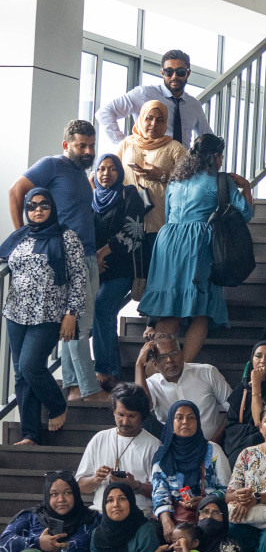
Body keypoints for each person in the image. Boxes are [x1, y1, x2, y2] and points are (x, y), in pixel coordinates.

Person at [138, 134, 253, 363]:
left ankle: (152, 370)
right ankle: (183, 367)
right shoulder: (219, 179)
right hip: (197, 243)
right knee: (201, 309)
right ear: (216, 156)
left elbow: (169, 213)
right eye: (220, 156)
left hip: (168, 241)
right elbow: (246, 213)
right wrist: (246, 187)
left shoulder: (176, 179)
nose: (221, 161)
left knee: (171, 307)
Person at [1, 187, 88, 445]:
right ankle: (30, 434)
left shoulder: (66, 237)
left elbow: (79, 278)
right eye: (32, 206)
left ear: (52, 208)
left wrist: (71, 313)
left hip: (49, 314)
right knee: (21, 374)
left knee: (30, 365)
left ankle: (57, 404)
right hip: (16, 313)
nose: (37, 210)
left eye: (43, 205)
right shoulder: (21, 236)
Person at [8, 121, 98, 368]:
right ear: (66, 145)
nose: (89, 151)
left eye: (92, 145)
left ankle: (72, 384)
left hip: (88, 255)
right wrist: (23, 238)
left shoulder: (80, 172)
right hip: (65, 255)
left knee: (80, 325)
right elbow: (16, 192)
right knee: (80, 324)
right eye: (82, 146)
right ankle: (82, 389)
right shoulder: (53, 164)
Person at [87, 152, 150, 393]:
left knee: (102, 306)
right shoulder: (90, 200)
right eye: (101, 169)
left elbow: (134, 229)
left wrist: (103, 252)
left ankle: (108, 370)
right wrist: (94, 258)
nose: (106, 173)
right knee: (94, 311)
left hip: (122, 268)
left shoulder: (129, 194)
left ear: (120, 172)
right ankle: (100, 368)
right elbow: (82, 231)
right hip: (96, 267)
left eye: (112, 169)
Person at [0, 472, 95, 552]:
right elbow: (4, 542)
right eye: (54, 494)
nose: (61, 499)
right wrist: (38, 543)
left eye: (67, 493)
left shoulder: (92, 520)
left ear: (76, 494)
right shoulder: (32, 516)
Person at [148, 400, 230, 538]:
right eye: (179, 417)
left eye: (191, 417)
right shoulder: (163, 455)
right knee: (151, 532)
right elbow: (159, 493)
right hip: (175, 515)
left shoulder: (212, 450)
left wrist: (206, 500)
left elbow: (227, 489)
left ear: (197, 422)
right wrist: (166, 519)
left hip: (207, 515)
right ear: (171, 423)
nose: (185, 422)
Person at [95, 49, 209, 147]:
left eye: (180, 72)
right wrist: (125, 144)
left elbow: (208, 137)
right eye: (169, 72)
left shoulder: (194, 105)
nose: (174, 76)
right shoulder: (144, 94)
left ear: (188, 73)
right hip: (147, 164)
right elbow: (104, 113)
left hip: (181, 168)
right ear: (162, 73)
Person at [116, 100, 185, 261]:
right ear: (141, 118)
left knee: (155, 272)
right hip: (127, 220)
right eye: (149, 118)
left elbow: (188, 184)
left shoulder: (174, 148)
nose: (154, 124)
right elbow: (111, 173)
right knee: (128, 273)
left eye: (160, 120)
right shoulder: (126, 144)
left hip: (160, 223)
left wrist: (162, 176)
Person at [136, 332, 231, 443]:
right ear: (155, 365)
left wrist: (214, 442)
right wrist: (138, 365)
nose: (169, 360)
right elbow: (140, 408)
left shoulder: (207, 372)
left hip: (211, 445)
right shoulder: (152, 384)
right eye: (162, 357)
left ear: (181, 354)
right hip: (171, 449)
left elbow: (232, 409)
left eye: (174, 354)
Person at [89, 483, 158, 552]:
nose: (116, 504)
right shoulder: (98, 533)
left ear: (131, 502)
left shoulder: (144, 530)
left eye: (122, 499)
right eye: (110, 500)